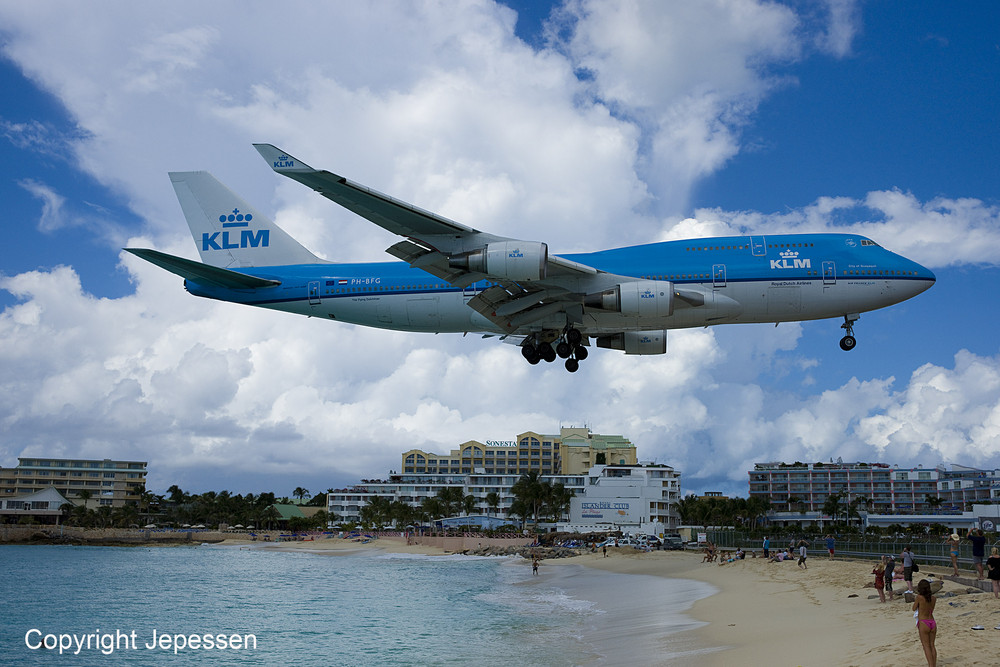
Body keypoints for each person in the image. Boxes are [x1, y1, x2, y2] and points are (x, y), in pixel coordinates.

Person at [912, 579, 937, 667]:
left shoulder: (919, 597)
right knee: (932, 645)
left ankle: (931, 665)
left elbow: (914, 608)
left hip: (923, 622)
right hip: (932, 622)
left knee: (926, 646)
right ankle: (934, 664)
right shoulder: (933, 598)